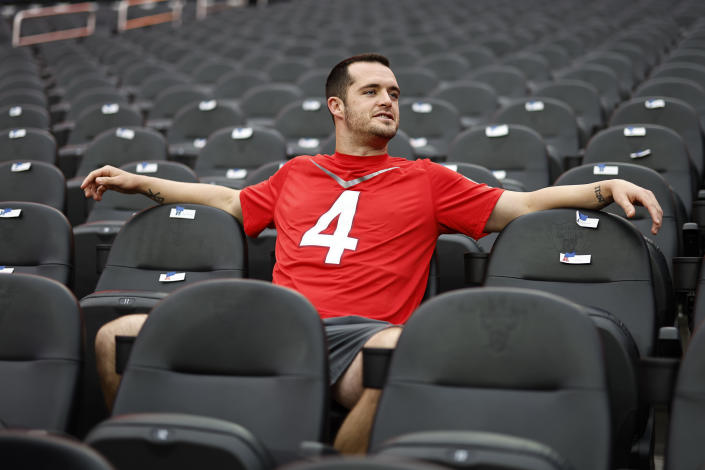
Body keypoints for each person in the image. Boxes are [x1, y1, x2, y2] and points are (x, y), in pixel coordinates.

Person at [82, 53, 663, 454]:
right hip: (274, 324)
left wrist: (600, 189)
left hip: (363, 337)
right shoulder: (297, 173)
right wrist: (140, 182)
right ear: (337, 106)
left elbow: (522, 205)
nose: (388, 100)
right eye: (372, 91)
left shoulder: (427, 179)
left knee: (406, 350)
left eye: (394, 93)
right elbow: (226, 199)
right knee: (116, 338)